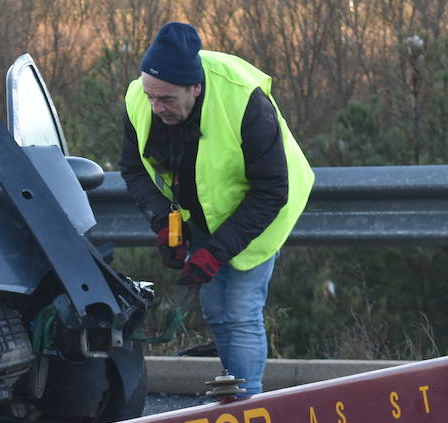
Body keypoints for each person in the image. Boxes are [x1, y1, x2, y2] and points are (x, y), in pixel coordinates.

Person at [119, 22, 313, 396]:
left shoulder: (244, 100)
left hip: (257, 210)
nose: (156, 108)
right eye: (151, 97)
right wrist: (165, 224)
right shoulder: (139, 99)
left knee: (239, 312)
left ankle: (247, 407)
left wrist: (217, 250)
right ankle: (230, 394)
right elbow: (133, 170)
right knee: (216, 313)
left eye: (167, 100)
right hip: (200, 213)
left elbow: (271, 190)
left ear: (196, 88)